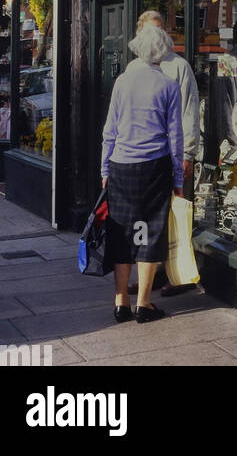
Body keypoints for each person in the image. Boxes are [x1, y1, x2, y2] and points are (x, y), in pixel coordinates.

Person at [101, 23, 183, 323]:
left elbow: (109, 130)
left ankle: (121, 300)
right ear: (162, 53)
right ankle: (144, 304)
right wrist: (178, 180)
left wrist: (104, 168)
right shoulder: (169, 86)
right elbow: (175, 137)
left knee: (122, 230)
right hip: (154, 167)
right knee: (150, 232)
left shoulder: (122, 82)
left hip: (121, 165)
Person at [136, 9, 200, 295]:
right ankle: (154, 272)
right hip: (144, 159)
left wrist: (187, 155)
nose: (154, 39)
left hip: (171, 157)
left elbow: (189, 113)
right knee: (150, 217)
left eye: (159, 32)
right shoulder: (135, 68)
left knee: (174, 218)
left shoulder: (179, 67)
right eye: (149, 32)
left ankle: (178, 275)